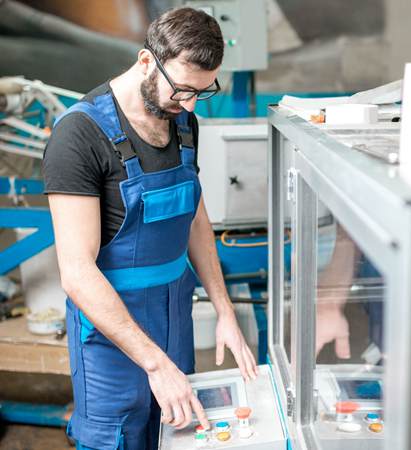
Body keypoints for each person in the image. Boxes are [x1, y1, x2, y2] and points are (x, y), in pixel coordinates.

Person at [42, 7, 258, 449]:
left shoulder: (184, 120)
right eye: (182, 89)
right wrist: (155, 366)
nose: (190, 104)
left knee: (176, 435)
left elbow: (194, 215)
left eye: (203, 91)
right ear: (146, 61)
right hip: (110, 335)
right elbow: (77, 272)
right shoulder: (79, 137)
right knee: (116, 438)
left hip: (173, 316)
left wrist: (224, 310)